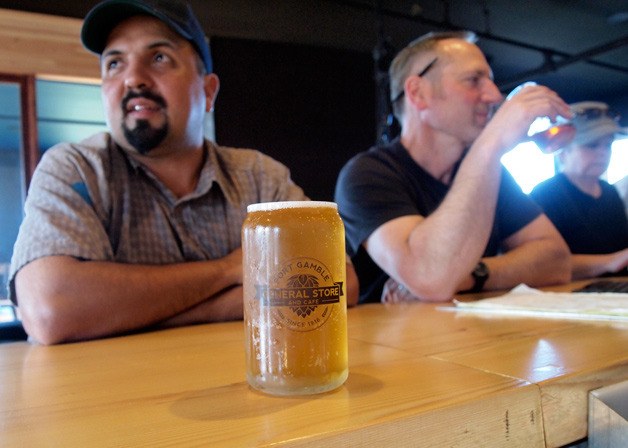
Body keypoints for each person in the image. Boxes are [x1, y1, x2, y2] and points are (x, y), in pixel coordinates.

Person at [8, 0, 358, 345]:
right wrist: (230, 269)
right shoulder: (75, 169)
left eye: (159, 58)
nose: (133, 79)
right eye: (114, 63)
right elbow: (50, 309)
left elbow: (341, 283)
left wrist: (131, 314)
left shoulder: (259, 175)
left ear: (208, 92)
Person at [335, 31, 571, 304]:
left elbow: (557, 259)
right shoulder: (368, 174)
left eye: (491, 81)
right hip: (395, 342)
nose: (494, 95)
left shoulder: (488, 170)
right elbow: (431, 277)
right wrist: (493, 139)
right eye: (474, 80)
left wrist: (472, 275)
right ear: (418, 93)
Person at [530, 101, 628, 279]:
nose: (602, 153)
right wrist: (611, 261)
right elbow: (539, 263)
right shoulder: (545, 195)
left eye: (608, 145)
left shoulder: (610, 192)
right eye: (591, 145)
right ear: (562, 152)